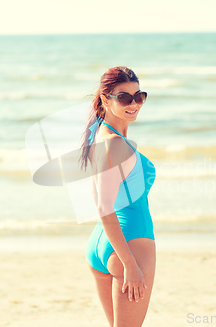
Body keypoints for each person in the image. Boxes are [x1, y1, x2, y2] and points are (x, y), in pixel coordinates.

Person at [78, 66, 157, 327]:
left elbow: (96, 196)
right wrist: (130, 265)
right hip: (129, 245)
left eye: (139, 96)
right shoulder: (114, 143)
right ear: (105, 99)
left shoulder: (98, 135)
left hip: (101, 244)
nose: (133, 104)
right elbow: (103, 206)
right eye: (124, 98)